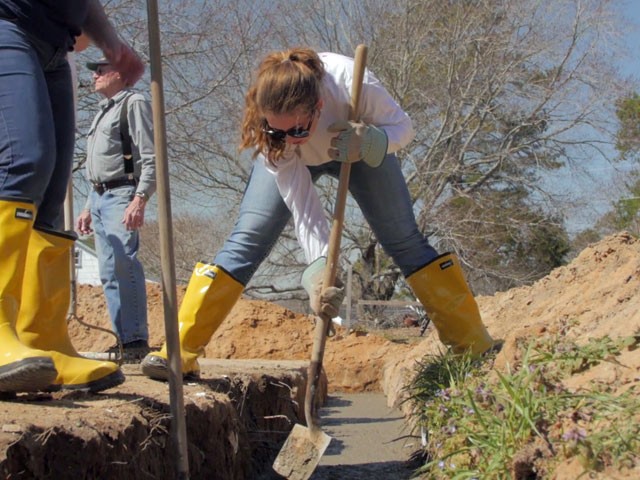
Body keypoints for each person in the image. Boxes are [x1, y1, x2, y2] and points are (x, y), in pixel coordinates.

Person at [141, 47, 498, 381]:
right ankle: (179, 351)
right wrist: (319, 274)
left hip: (361, 147)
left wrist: (373, 141)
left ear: (319, 106)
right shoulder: (277, 143)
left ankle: (473, 348)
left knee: (404, 239)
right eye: (275, 129)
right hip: (299, 168)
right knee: (246, 239)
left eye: (298, 129)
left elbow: (404, 128)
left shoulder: (348, 81)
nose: (290, 138)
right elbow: (304, 207)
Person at [0, 0, 144, 394]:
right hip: (8, 25)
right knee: (22, 163)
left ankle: (41, 339)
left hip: (53, 44)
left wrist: (112, 45)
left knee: (50, 190)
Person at [74, 56, 156, 362]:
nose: (95, 75)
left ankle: (136, 340)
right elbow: (98, 167)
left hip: (122, 193)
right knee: (108, 271)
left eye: (101, 69)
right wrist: (86, 206)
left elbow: (150, 155)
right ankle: (123, 341)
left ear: (121, 73)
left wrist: (140, 198)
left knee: (124, 263)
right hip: (98, 197)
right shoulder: (102, 112)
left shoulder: (133, 103)